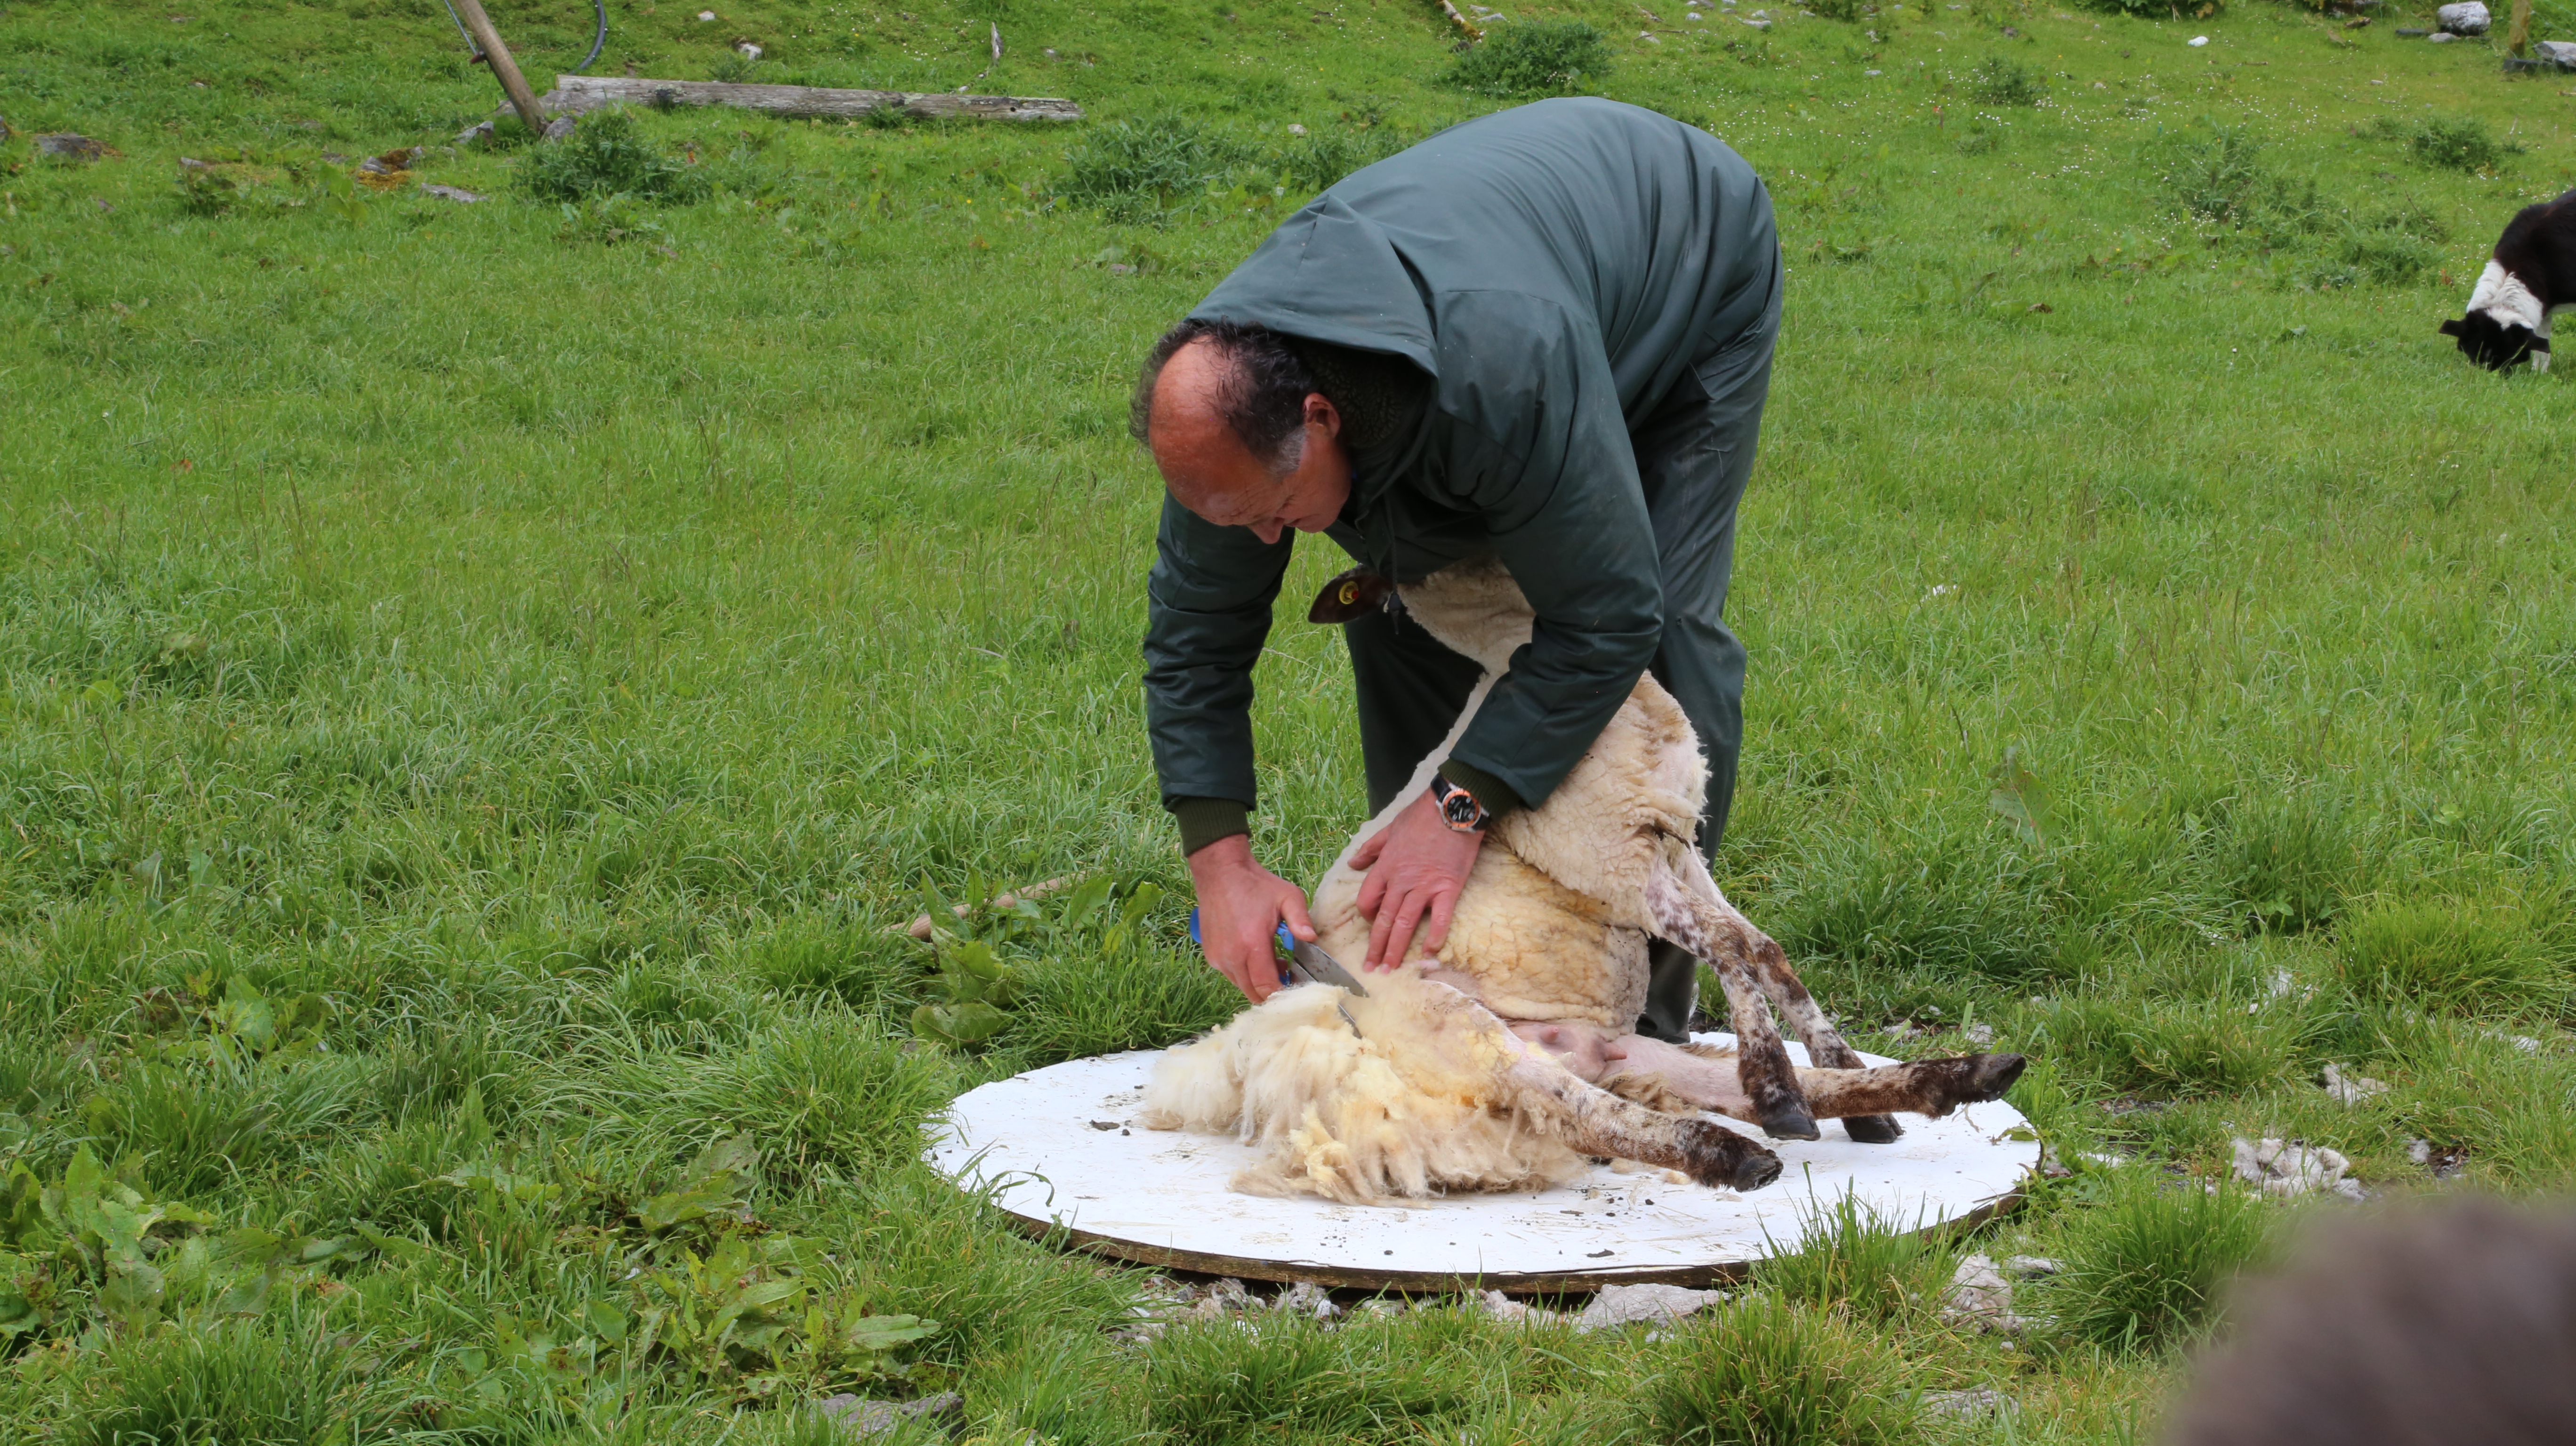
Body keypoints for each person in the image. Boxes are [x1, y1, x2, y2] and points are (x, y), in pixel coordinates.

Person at [1134, 96, 1782, 1043]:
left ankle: (1633, 1015)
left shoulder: (1504, 374)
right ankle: (1454, 960)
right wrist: (1220, 864)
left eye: (1277, 514)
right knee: (1404, 600)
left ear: (1319, 418)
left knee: (1663, 633)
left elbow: (1605, 616)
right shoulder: (1223, 422)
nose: (1266, 542)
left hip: (1684, 263)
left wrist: (1464, 801)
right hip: (1505, 297)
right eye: (1239, 520)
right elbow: (1195, 640)